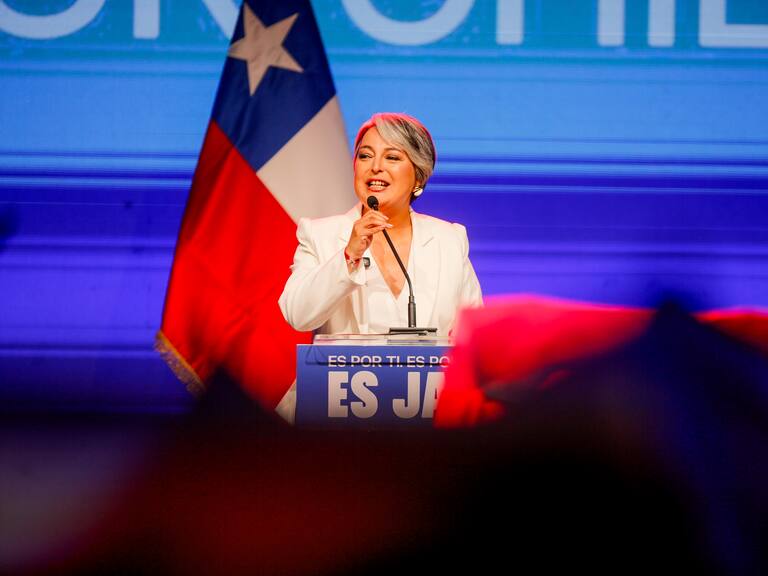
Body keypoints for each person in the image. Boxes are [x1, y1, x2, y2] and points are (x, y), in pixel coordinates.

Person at [279, 112, 482, 337]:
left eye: (392, 158)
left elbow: (474, 332)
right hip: (344, 373)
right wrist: (348, 256)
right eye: (365, 156)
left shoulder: (448, 239)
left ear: (418, 175)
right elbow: (297, 315)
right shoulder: (320, 234)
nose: (375, 167)